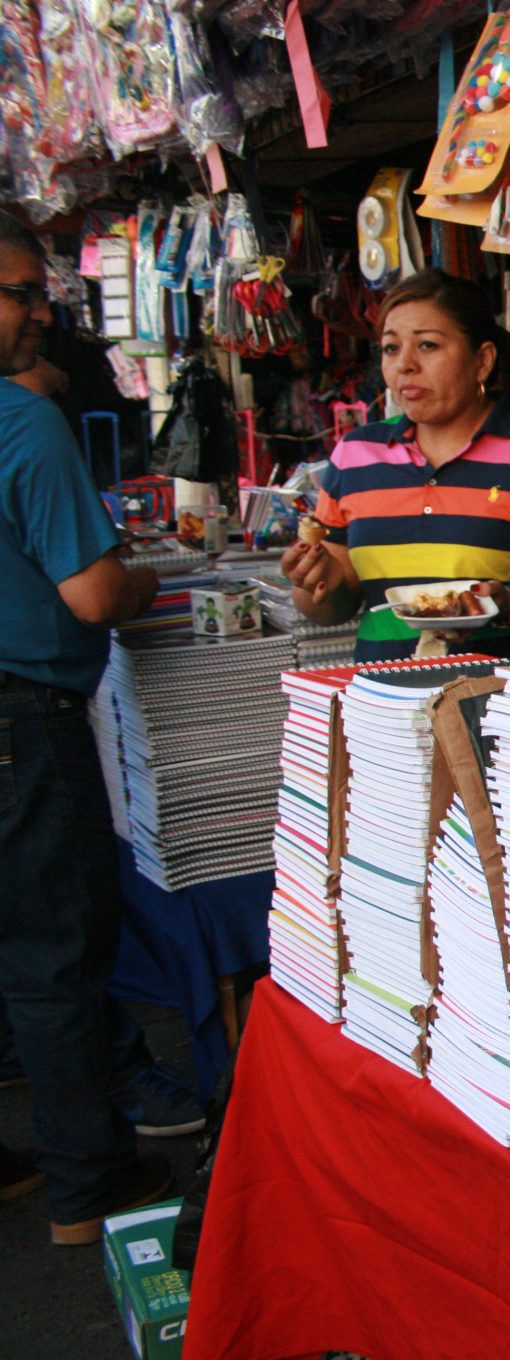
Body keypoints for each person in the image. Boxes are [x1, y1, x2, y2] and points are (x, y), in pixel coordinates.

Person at [0, 213, 176, 1243]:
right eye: (20, 292)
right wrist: (144, 578)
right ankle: (88, 1184)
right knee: (52, 958)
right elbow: (95, 594)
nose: (40, 314)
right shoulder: (21, 424)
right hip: (22, 719)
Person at [281, 270, 510, 661]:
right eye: (391, 348)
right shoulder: (356, 454)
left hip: (507, 692)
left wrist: (508, 604)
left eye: (428, 345)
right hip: (384, 691)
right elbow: (333, 608)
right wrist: (313, 583)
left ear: (482, 360)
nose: (405, 365)